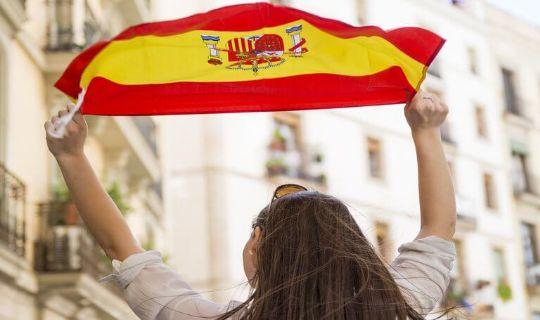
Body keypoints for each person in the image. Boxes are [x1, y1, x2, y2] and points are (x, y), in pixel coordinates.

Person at [44, 90, 456, 319]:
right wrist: (426, 131)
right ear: (354, 248)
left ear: (257, 244)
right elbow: (438, 228)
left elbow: (124, 252)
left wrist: (71, 155)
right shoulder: (402, 306)